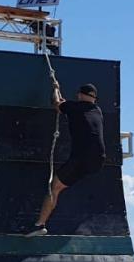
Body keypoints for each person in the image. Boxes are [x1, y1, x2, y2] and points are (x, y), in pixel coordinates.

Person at [26, 84, 106, 235]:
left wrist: (56, 88)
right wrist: (66, 106)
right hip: (98, 160)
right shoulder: (97, 110)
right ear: (94, 98)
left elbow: (57, 104)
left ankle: (39, 225)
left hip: (81, 157)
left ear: (80, 95)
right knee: (62, 185)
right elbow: (72, 110)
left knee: (54, 188)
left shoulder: (74, 107)